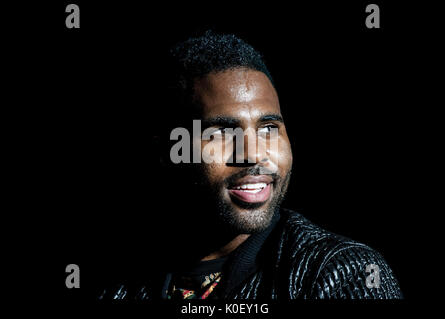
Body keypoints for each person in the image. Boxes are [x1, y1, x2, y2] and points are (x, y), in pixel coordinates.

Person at [98, 31, 402, 300]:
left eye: (268, 129)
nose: (254, 155)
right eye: (221, 133)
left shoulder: (341, 272)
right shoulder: (122, 284)